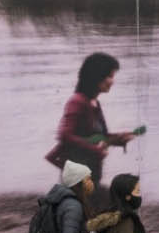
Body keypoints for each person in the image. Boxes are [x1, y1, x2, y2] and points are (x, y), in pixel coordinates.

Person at [47, 51, 133, 182]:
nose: (112, 81)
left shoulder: (94, 103)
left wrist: (118, 139)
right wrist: (95, 150)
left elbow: (97, 136)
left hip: (89, 175)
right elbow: (64, 135)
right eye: (110, 76)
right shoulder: (77, 101)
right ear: (96, 76)